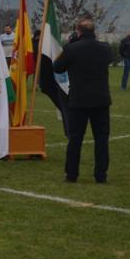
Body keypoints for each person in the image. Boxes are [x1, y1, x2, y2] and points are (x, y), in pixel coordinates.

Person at [53, 17, 114, 183]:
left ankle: (72, 174)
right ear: (94, 31)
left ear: (78, 32)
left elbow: (57, 67)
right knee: (101, 139)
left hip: (79, 100)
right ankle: (101, 175)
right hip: (101, 99)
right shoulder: (105, 48)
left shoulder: (72, 49)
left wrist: (69, 46)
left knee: (75, 139)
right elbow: (109, 59)